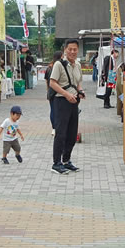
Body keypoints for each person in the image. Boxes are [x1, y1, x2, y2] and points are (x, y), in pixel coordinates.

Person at [48, 39, 84, 175]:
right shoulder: (59, 64)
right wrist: (66, 94)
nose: (72, 52)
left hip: (74, 102)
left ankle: (66, 160)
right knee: (61, 133)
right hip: (61, 101)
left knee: (72, 133)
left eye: (75, 49)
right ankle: (56, 163)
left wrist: (80, 92)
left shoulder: (78, 65)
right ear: (65, 50)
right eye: (70, 49)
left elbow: (78, 82)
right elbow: (52, 83)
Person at [44, 52, 63, 137]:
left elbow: (46, 81)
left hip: (51, 92)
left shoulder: (49, 67)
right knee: (60, 110)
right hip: (59, 91)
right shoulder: (60, 66)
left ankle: (54, 128)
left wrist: (48, 91)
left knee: (53, 110)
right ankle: (58, 127)